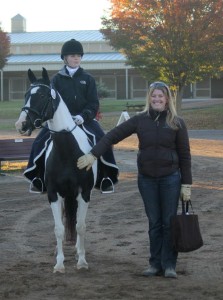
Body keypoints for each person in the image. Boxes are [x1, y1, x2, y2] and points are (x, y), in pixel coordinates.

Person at [77, 81, 192, 279]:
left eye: (160, 96)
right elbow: (112, 135)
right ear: (149, 98)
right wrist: (93, 154)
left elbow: (185, 154)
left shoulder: (177, 122)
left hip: (170, 179)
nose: (156, 99)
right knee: (154, 222)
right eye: (153, 96)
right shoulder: (140, 120)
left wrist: (186, 184)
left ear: (167, 99)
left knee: (168, 222)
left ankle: (169, 265)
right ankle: (155, 264)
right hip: (147, 180)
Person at [24, 39, 119, 193]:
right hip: (60, 121)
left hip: (84, 119)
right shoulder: (56, 79)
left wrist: (83, 116)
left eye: (78, 56)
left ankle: (106, 177)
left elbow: (93, 103)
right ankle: (38, 178)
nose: (76, 58)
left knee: (102, 139)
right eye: (72, 55)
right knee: (39, 142)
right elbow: (51, 102)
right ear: (65, 58)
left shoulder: (88, 79)